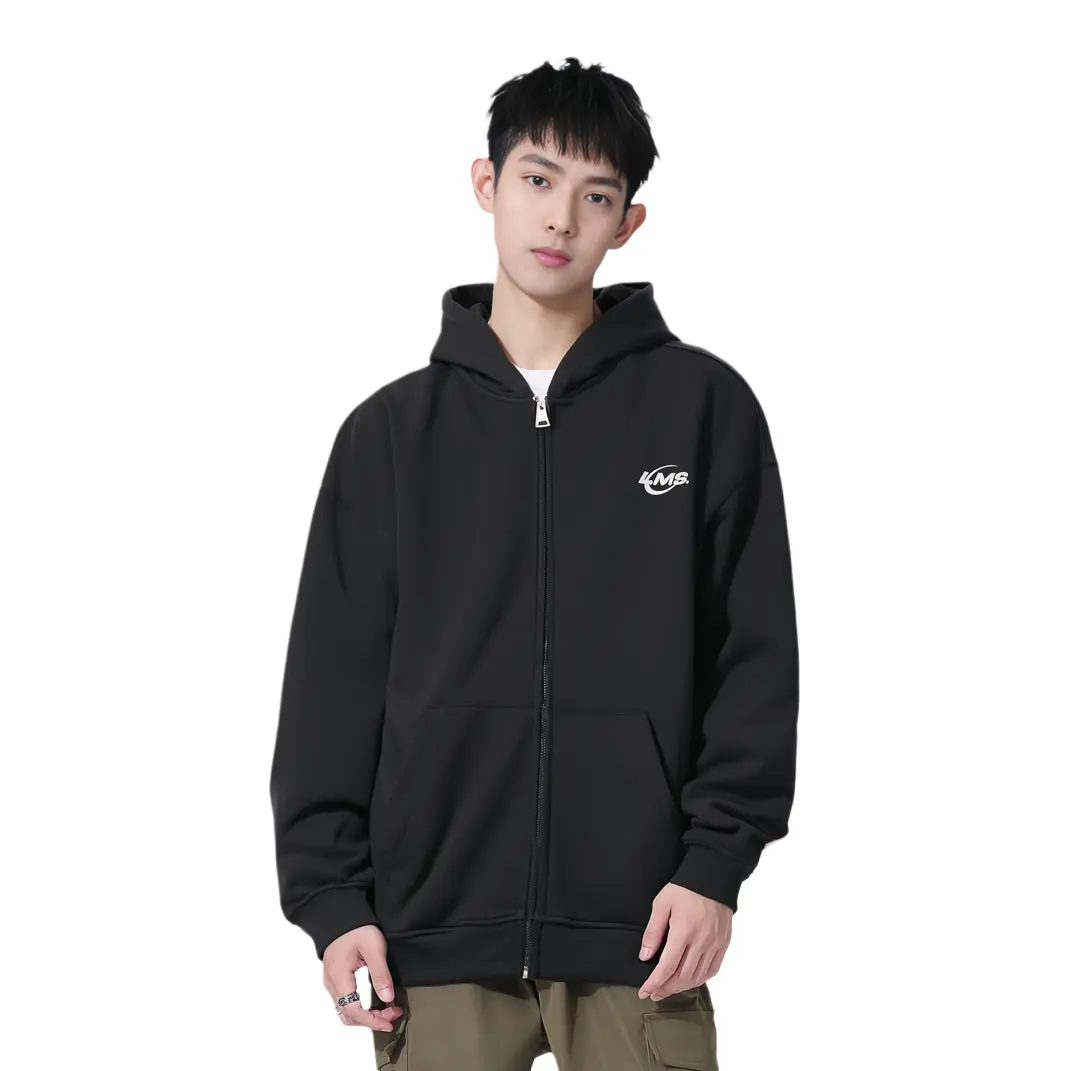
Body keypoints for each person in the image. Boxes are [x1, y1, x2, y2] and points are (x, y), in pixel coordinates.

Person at [269, 55, 799, 1070]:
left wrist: (714, 866)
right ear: (487, 183)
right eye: (538, 179)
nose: (560, 218)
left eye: (596, 195)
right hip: (434, 933)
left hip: (646, 933)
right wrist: (332, 903)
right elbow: (331, 687)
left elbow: (755, 660)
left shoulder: (703, 410)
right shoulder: (391, 436)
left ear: (627, 222)